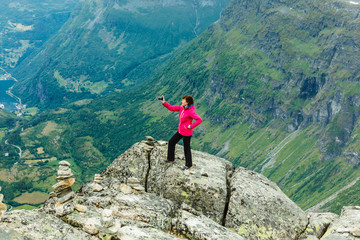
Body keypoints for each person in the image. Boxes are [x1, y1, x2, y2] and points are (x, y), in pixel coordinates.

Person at [160, 95, 203, 170]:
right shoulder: (181, 107)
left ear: (187, 102)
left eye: (183, 100)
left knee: (186, 148)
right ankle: (170, 158)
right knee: (171, 142)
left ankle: (188, 165)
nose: (182, 101)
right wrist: (164, 102)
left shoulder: (190, 111)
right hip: (180, 131)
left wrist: (191, 126)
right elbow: (171, 108)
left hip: (187, 132)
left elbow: (199, 120)